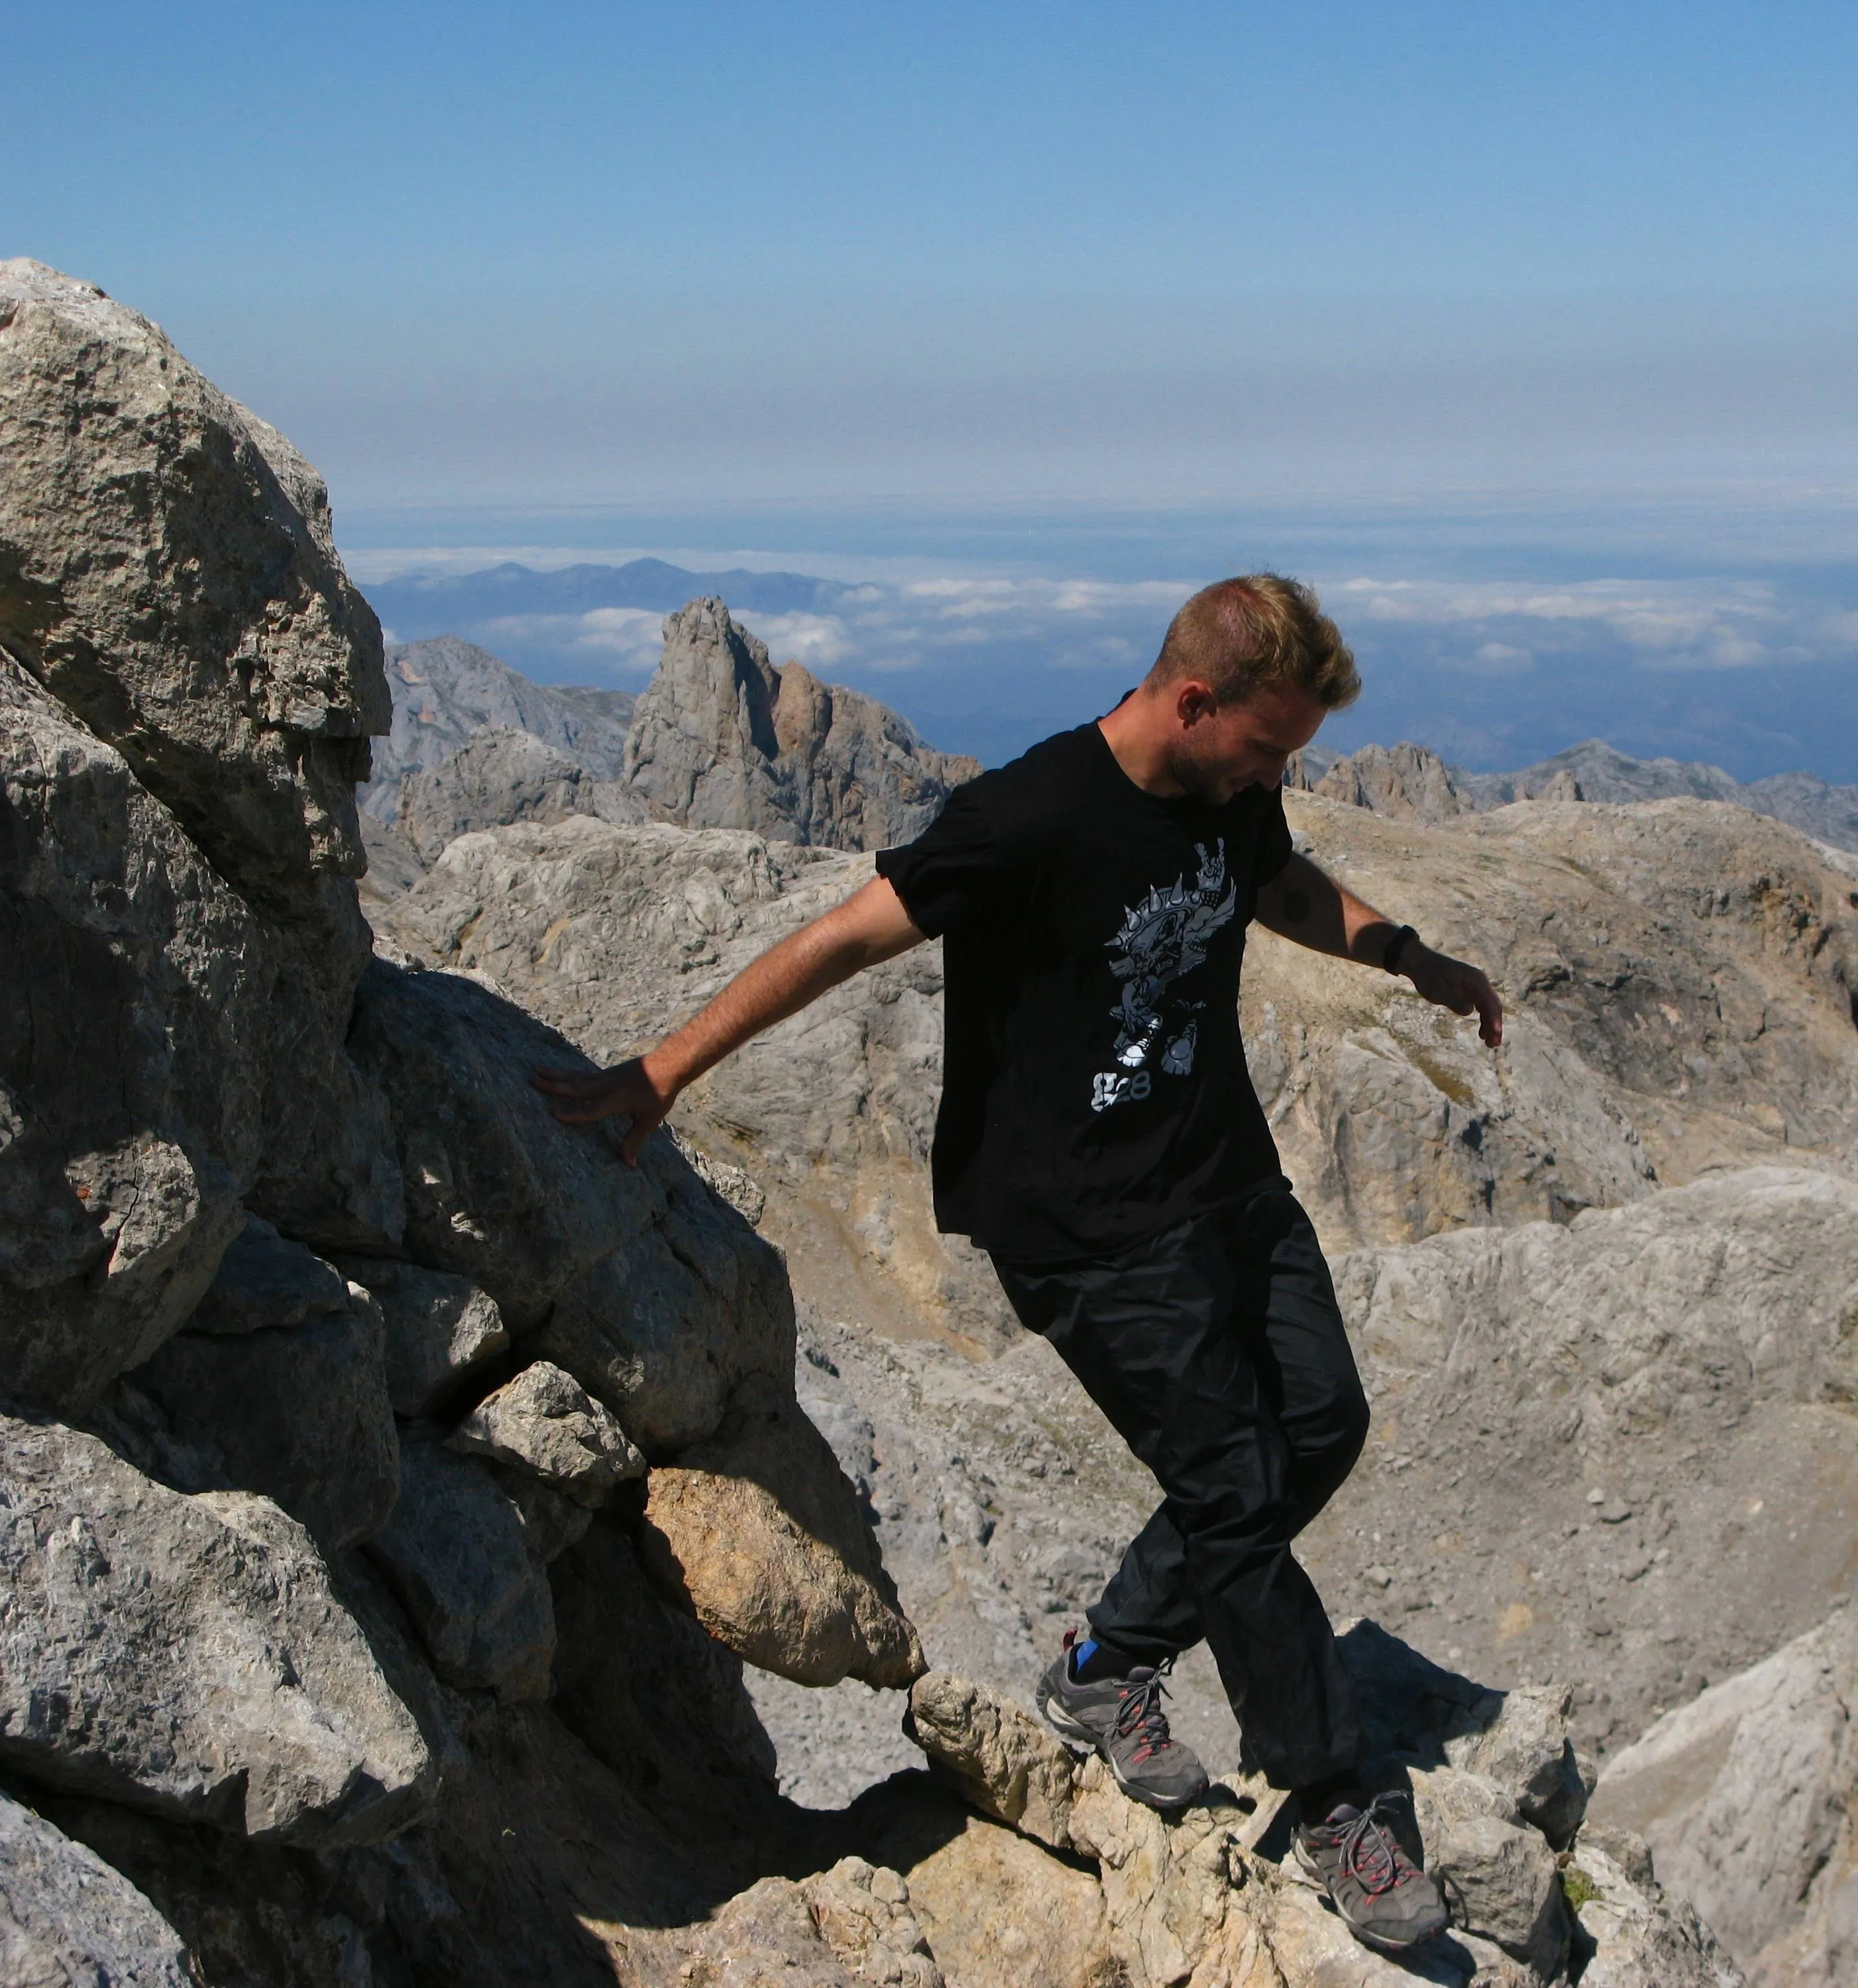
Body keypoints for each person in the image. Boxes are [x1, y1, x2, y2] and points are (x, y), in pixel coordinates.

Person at [535, 574, 1503, 1954]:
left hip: (1224, 1178)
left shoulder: (1232, 791)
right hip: (1087, 1226)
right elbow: (838, 939)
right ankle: (1334, 1793)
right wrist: (663, 1071)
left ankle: (1109, 1665)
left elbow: (1270, 881)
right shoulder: (1028, 817)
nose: (1278, 775)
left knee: (1320, 1430)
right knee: (1231, 1489)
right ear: (1190, 701)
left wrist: (1404, 955)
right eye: (1267, 747)